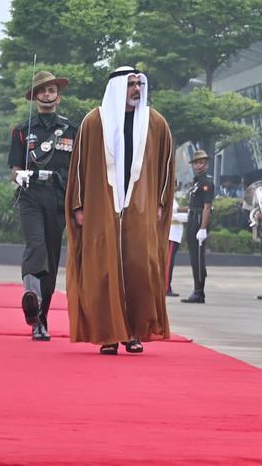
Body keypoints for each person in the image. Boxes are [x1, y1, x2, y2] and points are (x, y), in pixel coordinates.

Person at [65, 66, 175, 355]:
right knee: (103, 270)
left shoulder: (155, 123)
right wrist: (78, 205)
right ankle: (109, 334)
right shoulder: (93, 122)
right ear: (117, 88)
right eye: (130, 85)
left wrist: (161, 203)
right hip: (102, 208)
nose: (136, 90)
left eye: (139, 84)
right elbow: (78, 167)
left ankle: (134, 332)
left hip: (141, 210)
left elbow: (166, 168)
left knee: (139, 267)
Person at [9, 70, 79, 341]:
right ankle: (31, 295)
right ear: (35, 96)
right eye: (42, 91)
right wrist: (20, 176)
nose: (47, 94)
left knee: (50, 256)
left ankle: (42, 317)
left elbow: (77, 171)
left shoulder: (72, 130)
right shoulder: (22, 131)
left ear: (58, 97)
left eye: (51, 90)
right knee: (35, 244)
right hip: (30, 196)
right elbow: (14, 169)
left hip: (58, 197)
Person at [181, 150, 215, 304]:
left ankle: (199, 292)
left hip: (200, 219)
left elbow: (207, 207)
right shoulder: (197, 182)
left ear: (206, 164)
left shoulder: (207, 182)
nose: (199, 165)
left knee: (198, 259)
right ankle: (197, 289)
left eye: (201, 162)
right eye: (196, 162)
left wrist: (203, 228)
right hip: (192, 218)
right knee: (194, 258)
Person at [166, 192, 187, 297]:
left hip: (175, 235)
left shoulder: (173, 199)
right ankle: (166, 287)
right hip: (172, 235)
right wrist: (189, 215)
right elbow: (174, 215)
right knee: (168, 263)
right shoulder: (170, 199)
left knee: (170, 263)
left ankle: (167, 286)